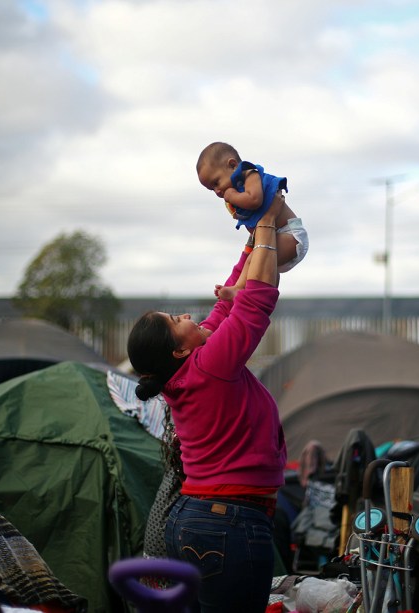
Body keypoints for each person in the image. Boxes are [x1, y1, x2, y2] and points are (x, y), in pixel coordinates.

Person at [127, 197, 287, 613]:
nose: (185, 315)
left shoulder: (192, 365)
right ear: (178, 351)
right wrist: (268, 223)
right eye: (175, 321)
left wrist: (251, 243)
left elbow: (227, 304)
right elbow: (255, 304)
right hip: (227, 521)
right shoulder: (211, 365)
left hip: (197, 519)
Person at [196, 141, 308, 302]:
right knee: (261, 272)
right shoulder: (237, 192)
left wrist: (232, 196)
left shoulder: (250, 174)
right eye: (211, 189)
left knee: (255, 258)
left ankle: (238, 289)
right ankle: (258, 296)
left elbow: (255, 200)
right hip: (275, 238)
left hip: (291, 235)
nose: (217, 191)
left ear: (233, 165)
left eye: (216, 182)